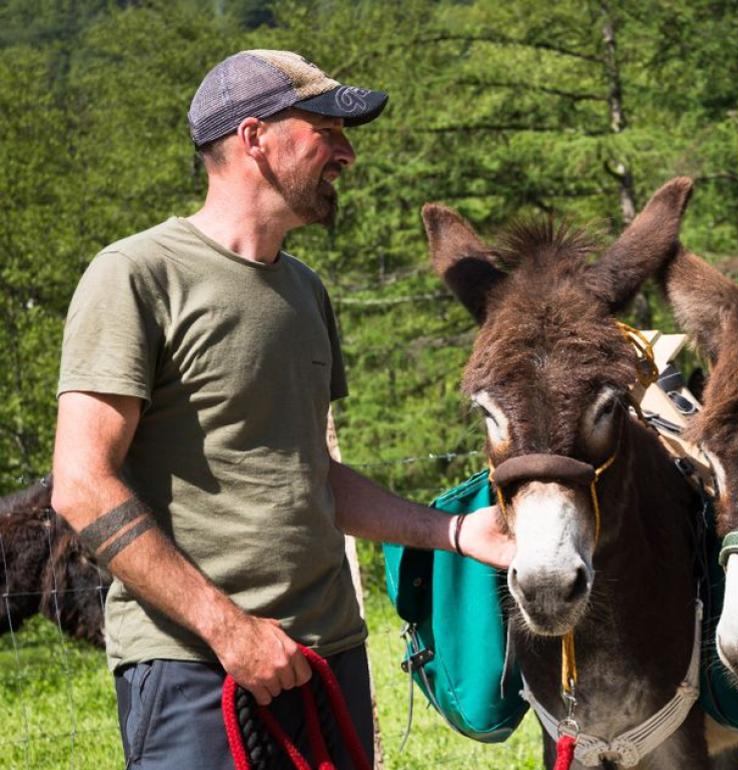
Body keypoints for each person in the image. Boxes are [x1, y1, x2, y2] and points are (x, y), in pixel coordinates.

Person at [51, 49, 513, 769]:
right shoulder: (135, 276)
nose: (347, 154)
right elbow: (82, 485)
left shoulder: (305, 291)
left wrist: (454, 531)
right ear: (254, 137)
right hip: (195, 671)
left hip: (327, 660)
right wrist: (229, 630)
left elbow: (313, 477)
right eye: (326, 129)